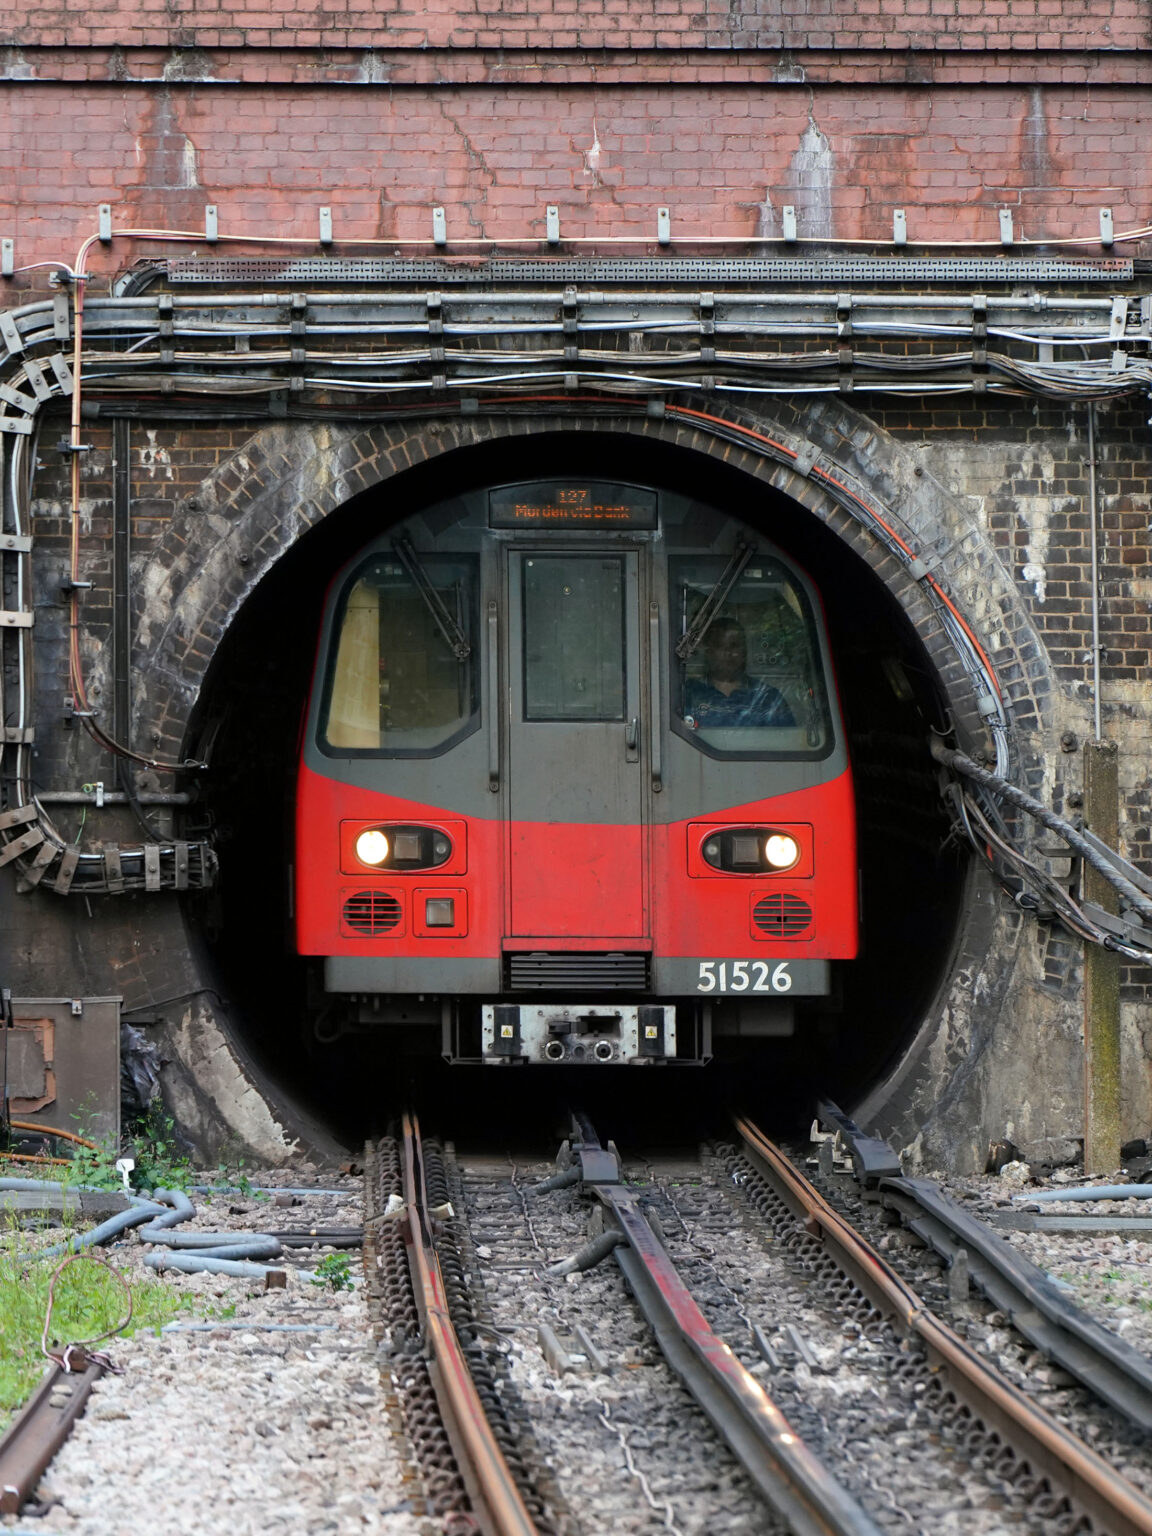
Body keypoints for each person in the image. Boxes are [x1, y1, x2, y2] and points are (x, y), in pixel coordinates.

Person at [683, 616, 795, 728]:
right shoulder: (689, 694)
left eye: (734, 646)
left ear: (744, 652)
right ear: (708, 653)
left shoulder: (767, 697)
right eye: (720, 646)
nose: (728, 653)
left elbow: (786, 740)